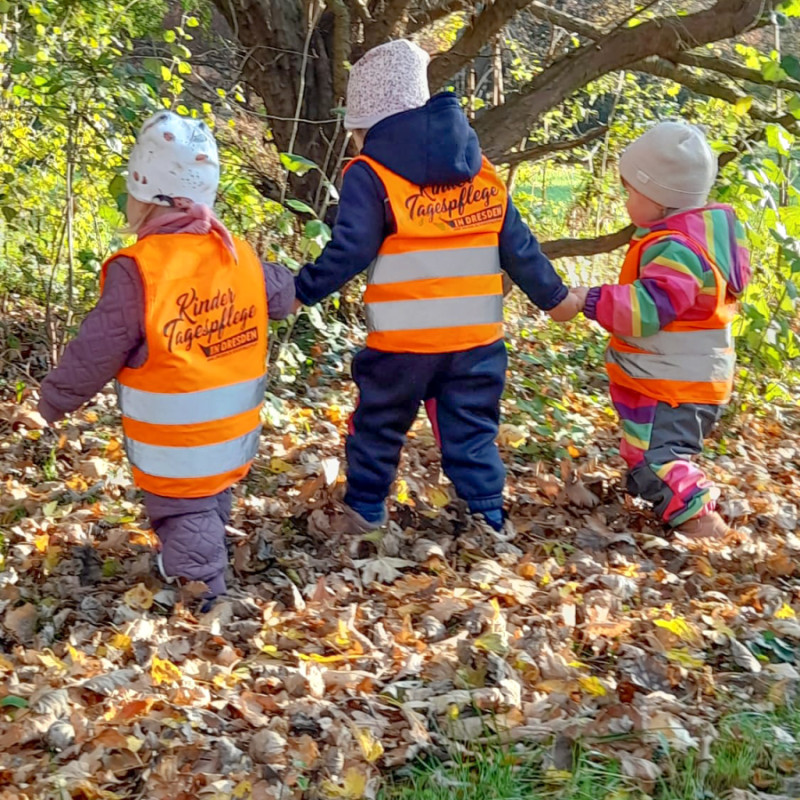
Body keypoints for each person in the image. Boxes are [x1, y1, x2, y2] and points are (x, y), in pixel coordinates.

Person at [293, 40, 582, 534]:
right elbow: (518, 246)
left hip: (402, 345)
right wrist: (556, 298)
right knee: (470, 431)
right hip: (476, 341)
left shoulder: (371, 173)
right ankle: (489, 517)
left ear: (366, 128)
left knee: (379, 428)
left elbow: (352, 249)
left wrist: (302, 290)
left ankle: (364, 513)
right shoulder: (480, 170)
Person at [38, 111, 295, 599]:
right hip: (234, 433)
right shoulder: (236, 253)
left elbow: (97, 348)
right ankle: (201, 553)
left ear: (151, 197)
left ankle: (204, 592)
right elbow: (282, 292)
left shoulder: (142, 271)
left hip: (177, 445)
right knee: (210, 500)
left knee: (185, 512)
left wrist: (53, 401)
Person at [572, 121, 751, 540]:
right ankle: (651, 486)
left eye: (631, 191)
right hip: (677, 376)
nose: (626, 199)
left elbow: (649, 309)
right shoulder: (693, 237)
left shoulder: (678, 249)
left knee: (659, 455)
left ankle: (700, 519)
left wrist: (590, 300)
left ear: (660, 198)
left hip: (674, 381)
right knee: (645, 446)